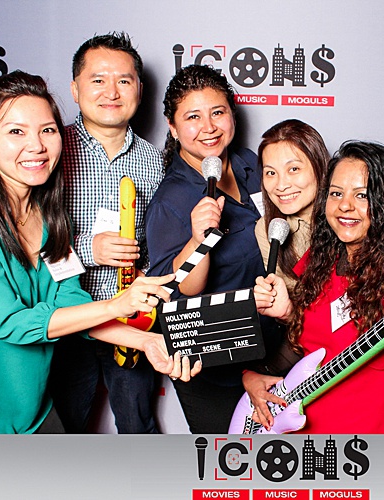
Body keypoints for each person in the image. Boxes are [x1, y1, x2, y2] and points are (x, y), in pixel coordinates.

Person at [0, 71, 197, 434]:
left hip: (32, 409)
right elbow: (9, 322)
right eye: (16, 132)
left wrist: (147, 341)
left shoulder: (50, 219)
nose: (37, 145)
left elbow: (72, 306)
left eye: (47, 130)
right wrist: (117, 305)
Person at [250, 141, 384, 433]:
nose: (345, 205)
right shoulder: (320, 260)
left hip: (365, 449)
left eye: (362, 195)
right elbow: (307, 348)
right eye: (336, 193)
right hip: (301, 436)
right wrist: (254, 375)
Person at [145, 64, 282, 433]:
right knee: (229, 470)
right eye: (193, 117)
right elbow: (181, 292)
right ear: (173, 128)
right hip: (217, 367)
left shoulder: (251, 163)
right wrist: (197, 240)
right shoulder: (171, 200)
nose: (209, 127)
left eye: (217, 112)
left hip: (275, 347)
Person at [48, 32, 166, 434]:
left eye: (124, 80)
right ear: (75, 88)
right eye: (98, 79)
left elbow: (160, 242)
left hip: (134, 322)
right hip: (66, 320)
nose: (111, 91)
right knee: (65, 430)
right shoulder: (47, 151)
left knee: (138, 425)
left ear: (139, 89)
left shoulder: (155, 162)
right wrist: (87, 249)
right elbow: (27, 239)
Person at [255, 119, 384, 291]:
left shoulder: (351, 218)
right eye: (270, 172)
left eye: (294, 169)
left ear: (320, 167)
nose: (281, 185)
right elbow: (306, 311)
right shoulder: (269, 229)